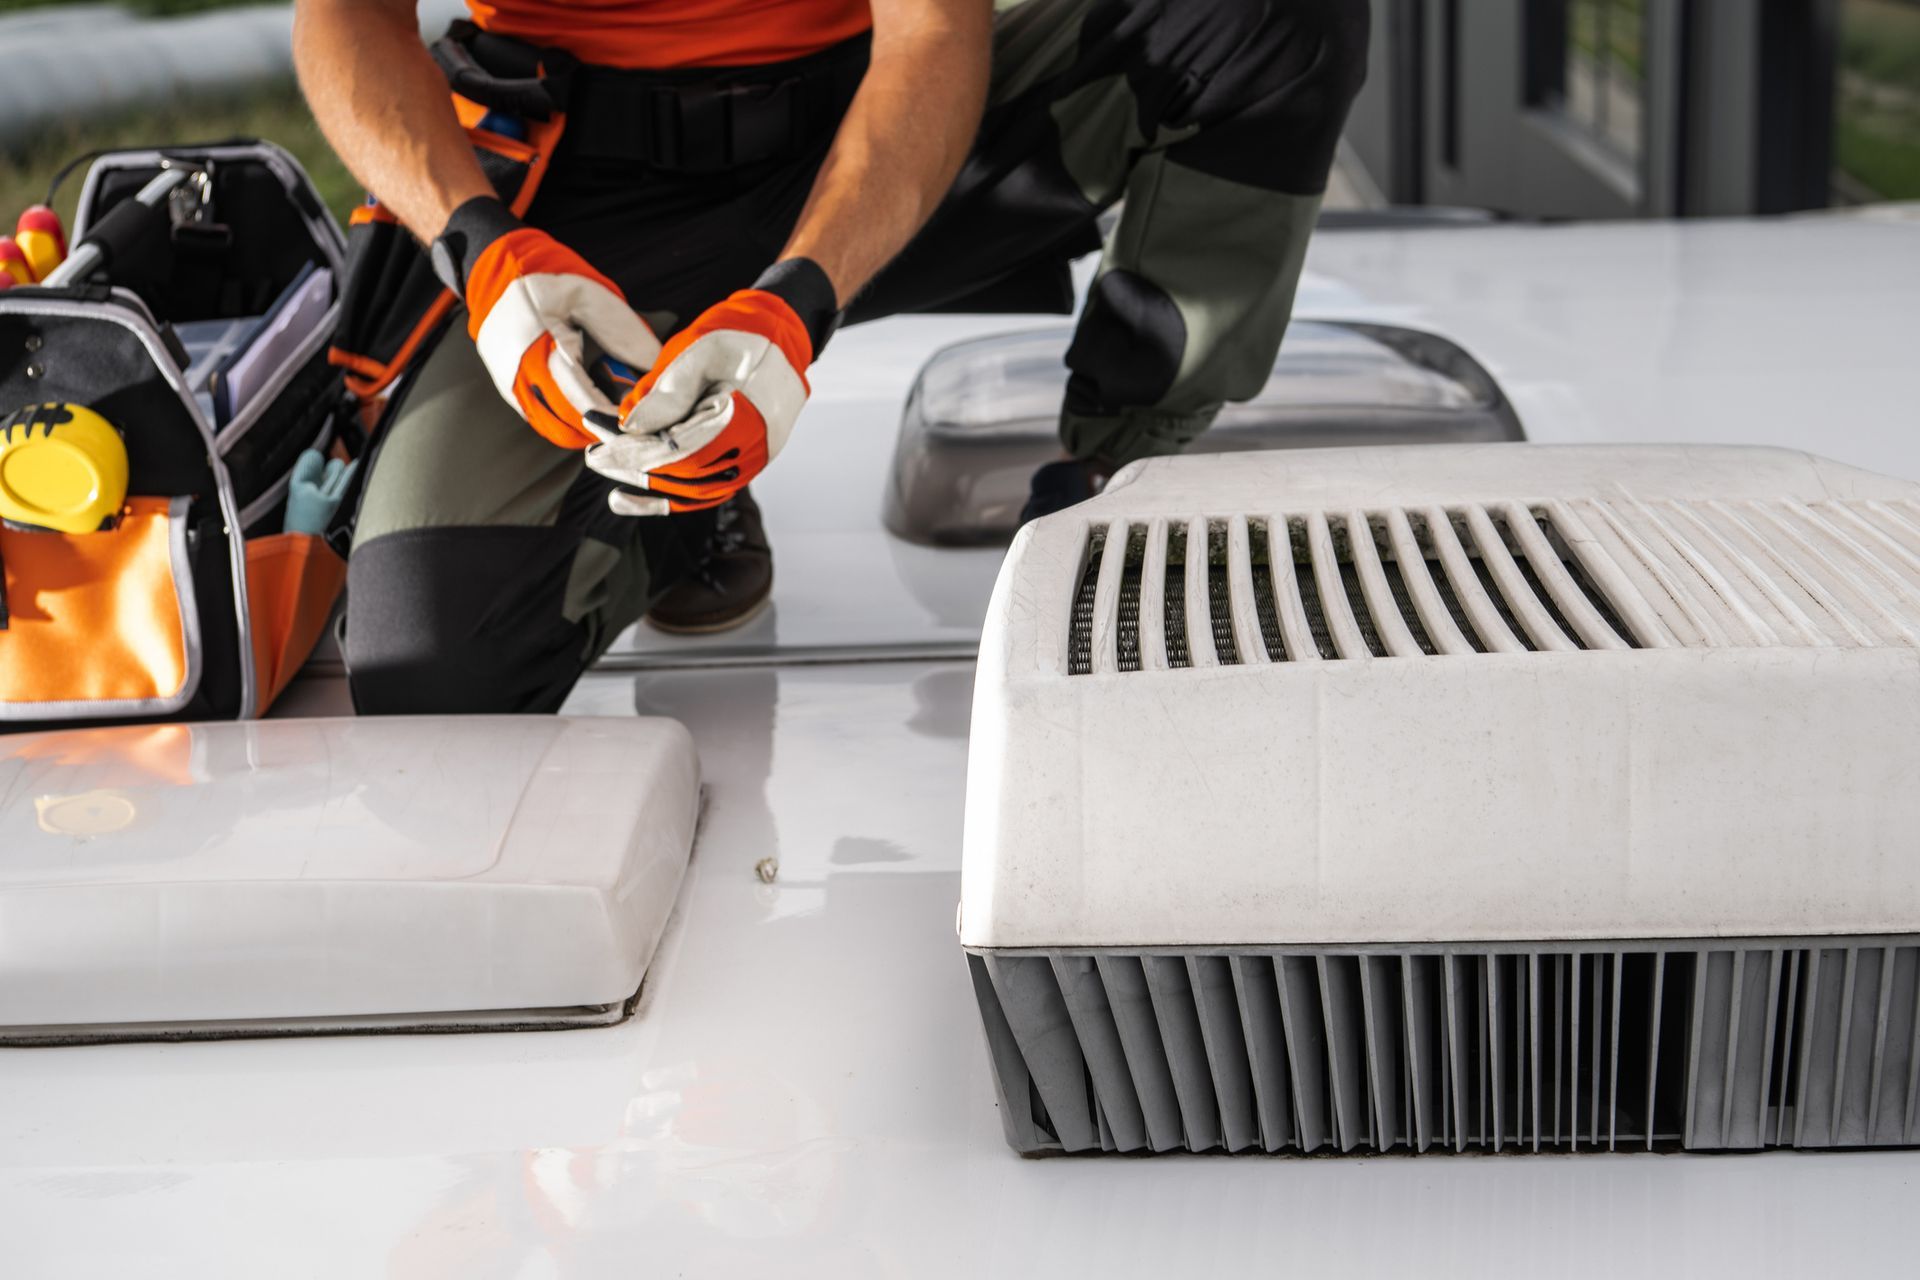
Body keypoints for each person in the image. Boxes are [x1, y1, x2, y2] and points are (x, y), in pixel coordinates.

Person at [294, 0, 1368, 714]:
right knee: (430, 659)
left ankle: (1125, 485)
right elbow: (344, 18)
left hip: (868, 130)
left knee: (1265, 17)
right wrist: (482, 250)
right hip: (572, 194)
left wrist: (798, 300)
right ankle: (668, 507)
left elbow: (931, 35)